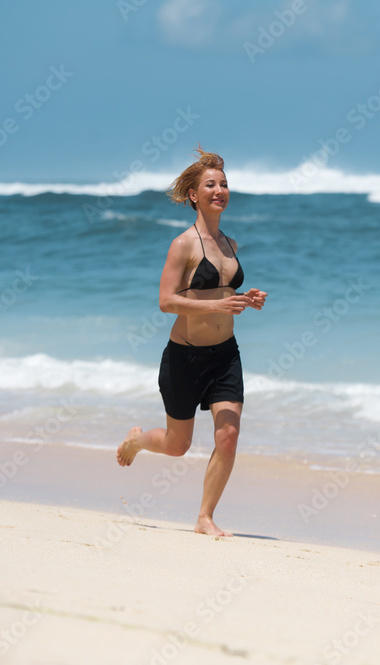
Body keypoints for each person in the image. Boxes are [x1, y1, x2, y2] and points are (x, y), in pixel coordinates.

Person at [117, 147, 267, 537]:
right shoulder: (183, 244)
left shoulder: (231, 244)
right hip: (184, 358)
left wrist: (246, 300)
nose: (220, 190)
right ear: (193, 196)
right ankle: (137, 440)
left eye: (224, 184)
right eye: (211, 185)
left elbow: (222, 298)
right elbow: (167, 301)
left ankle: (205, 517)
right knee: (176, 445)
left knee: (229, 436)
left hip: (225, 357)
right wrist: (220, 303)